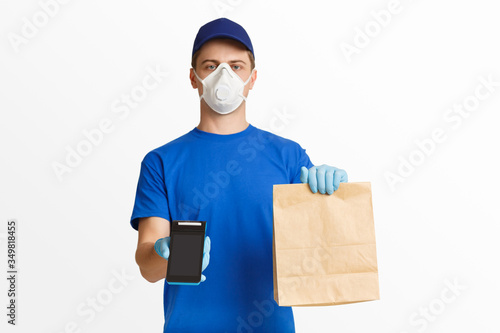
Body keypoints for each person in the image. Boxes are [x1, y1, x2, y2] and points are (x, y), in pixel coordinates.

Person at [130, 18, 348, 332]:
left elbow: (320, 255)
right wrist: (166, 253)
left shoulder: (288, 157)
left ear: (252, 78)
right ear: (193, 78)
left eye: (236, 66)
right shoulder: (162, 162)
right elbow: (148, 268)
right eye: (210, 66)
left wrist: (332, 199)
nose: (224, 76)